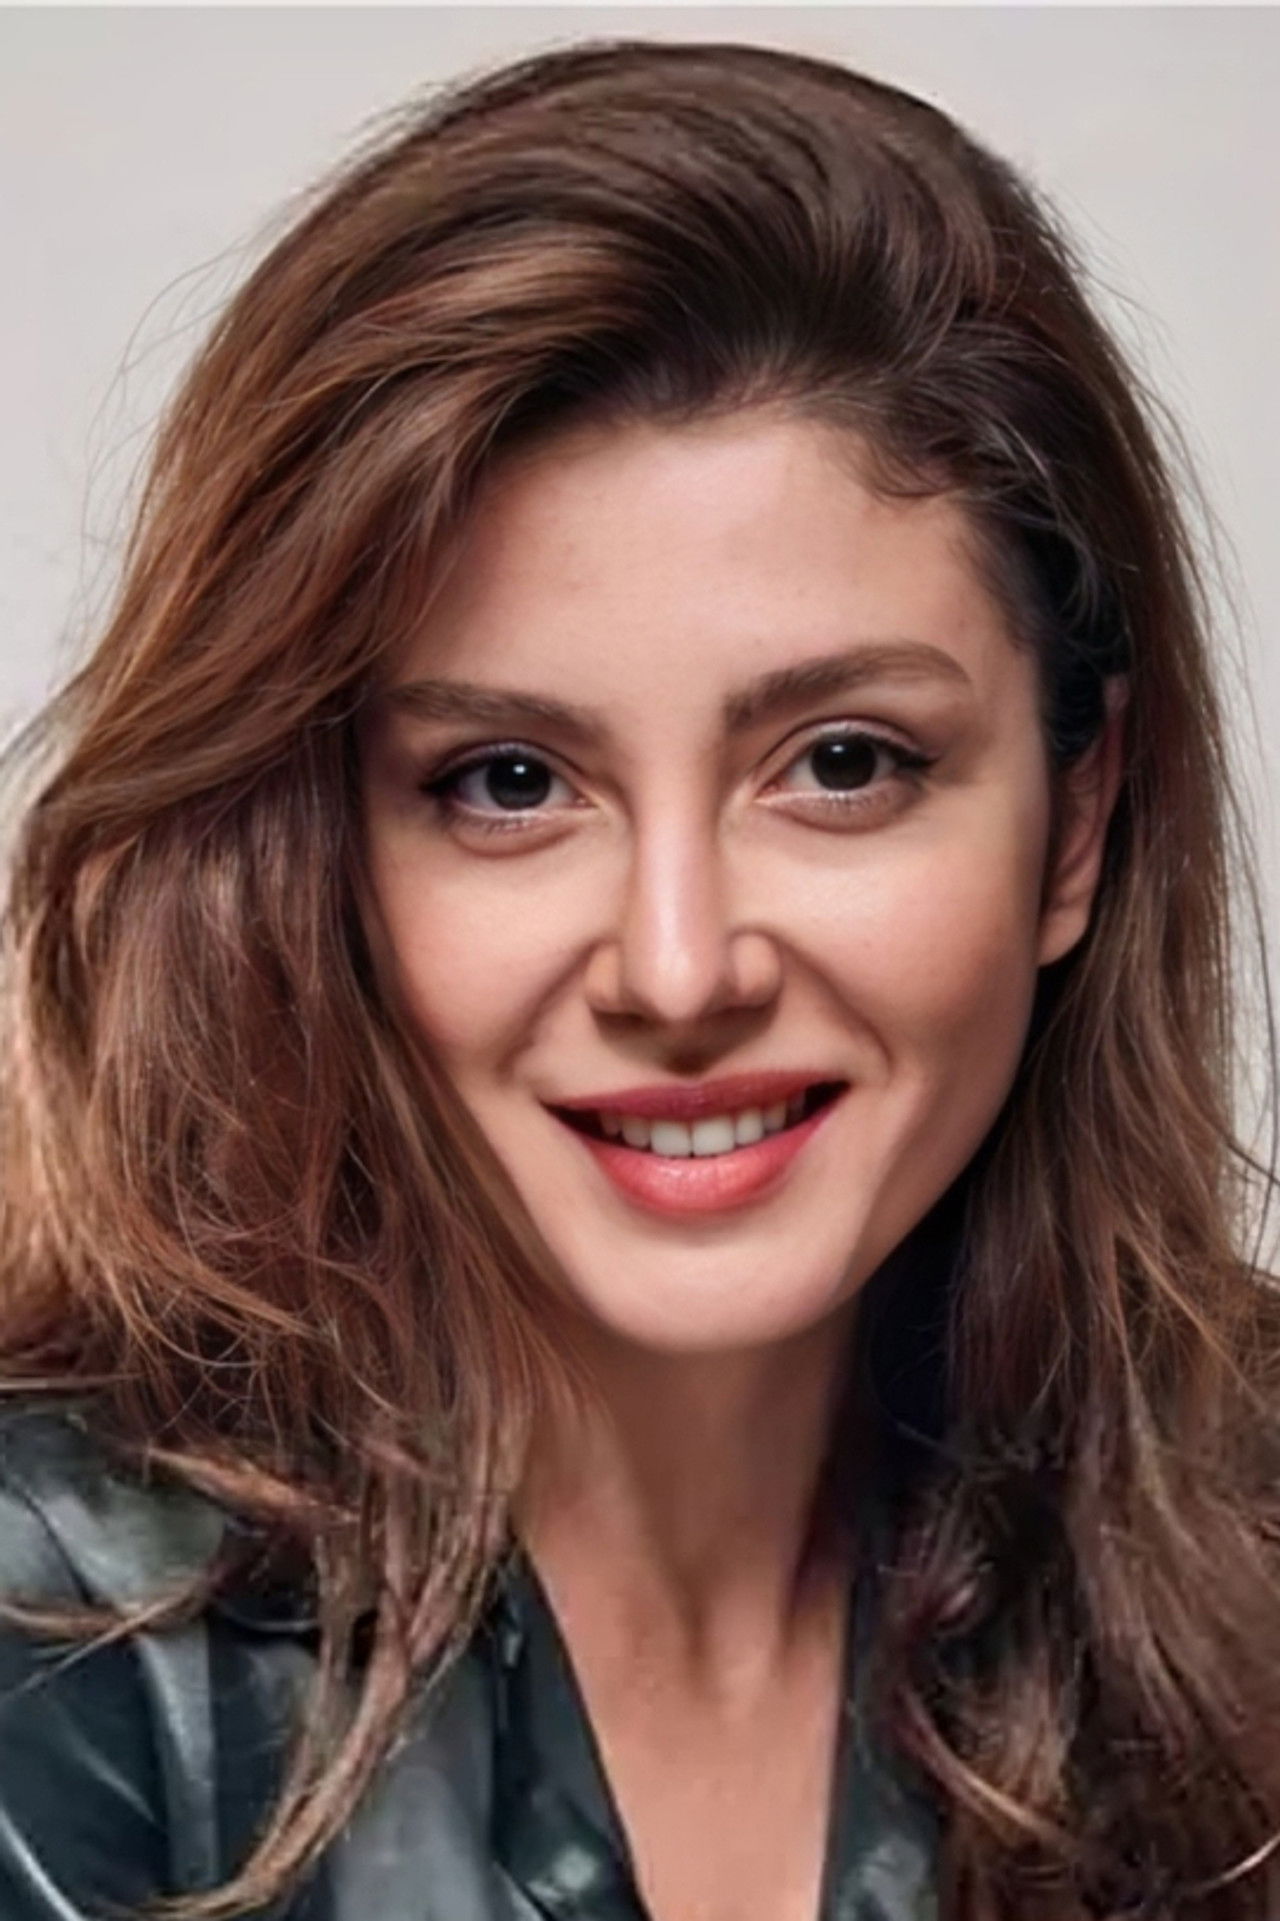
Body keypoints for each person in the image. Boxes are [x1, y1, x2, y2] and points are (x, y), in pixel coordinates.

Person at [1, 34, 1277, 1921]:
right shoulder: (57, 1633)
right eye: (510, 783)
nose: (680, 968)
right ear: (316, 853)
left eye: (843, 761)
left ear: (1076, 822)